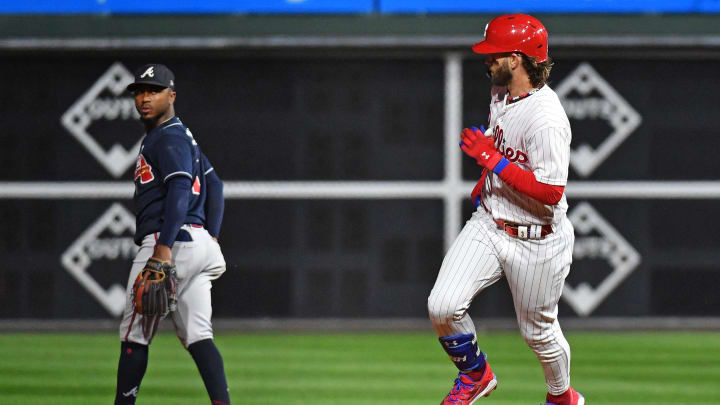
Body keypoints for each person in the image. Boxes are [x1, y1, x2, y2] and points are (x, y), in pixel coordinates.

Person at [427, 14, 585, 405]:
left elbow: (550, 192)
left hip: (537, 239)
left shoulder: (547, 119)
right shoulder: (502, 93)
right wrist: (490, 166)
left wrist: (493, 161)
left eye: (493, 54)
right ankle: (476, 375)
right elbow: (506, 150)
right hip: (491, 222)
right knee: (442, 305)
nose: (486, 60)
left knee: (539, 335)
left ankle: (562, 397)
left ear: (515, 59)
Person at [114, 63, 230, 405]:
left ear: (172, 95)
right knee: (198, 335)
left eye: (154, 91)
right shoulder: (183, 137)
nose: (145, 98)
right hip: (197, 244)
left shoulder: (167, 136)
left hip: (169, 242)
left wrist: (162, 249)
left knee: (134, 335)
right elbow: (216, 185)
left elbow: (180, 187)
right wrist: (213, 237)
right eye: (140, 92)